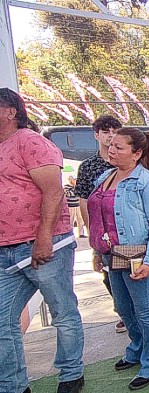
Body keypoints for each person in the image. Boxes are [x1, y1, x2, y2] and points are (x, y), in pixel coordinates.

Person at [0, 87, 84, 393]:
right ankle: (13, 385)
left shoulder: (31, 142)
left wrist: (44, 238)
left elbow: (53, 191)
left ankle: (71, 374)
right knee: (2, 321)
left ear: (10, 111)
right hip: (5, 250)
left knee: (62, 311)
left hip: (44, 245)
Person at [88, 128, 149, 391]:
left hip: (139, 256)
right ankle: (136, 348)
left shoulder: (148, 183)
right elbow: (100, 219)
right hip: (113, 255)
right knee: (123, 307)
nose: (111, 150)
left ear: (137, 154)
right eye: (111, 145)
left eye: (119, 147)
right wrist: (98, 252)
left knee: (145, 311)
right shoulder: (105, 177)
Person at [76, 114, 143, 331]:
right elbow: (85, 202)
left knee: (141, 291)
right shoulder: (89, 167)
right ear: (96, 135)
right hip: (105, 241)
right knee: (114, 282)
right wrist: (94, 238)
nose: (111, 138)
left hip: (130, 241)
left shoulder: (136, 169)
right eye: (106, 132)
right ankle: (126, 317)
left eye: (115, 132)